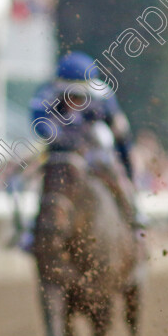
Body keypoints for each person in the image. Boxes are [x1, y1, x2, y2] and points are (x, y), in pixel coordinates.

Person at [26, 51, 139, 231]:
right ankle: (33, 227)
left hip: (92, 150)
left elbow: (120, 133)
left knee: (115, 173)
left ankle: (133, 213)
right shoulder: (46, 94)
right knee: (32, 181)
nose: (73, 101)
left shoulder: (104, 97)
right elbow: (41, 125)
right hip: (61, 150)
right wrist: (60, 138)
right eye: (68, 95)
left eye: (78, 96)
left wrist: (127, 163)